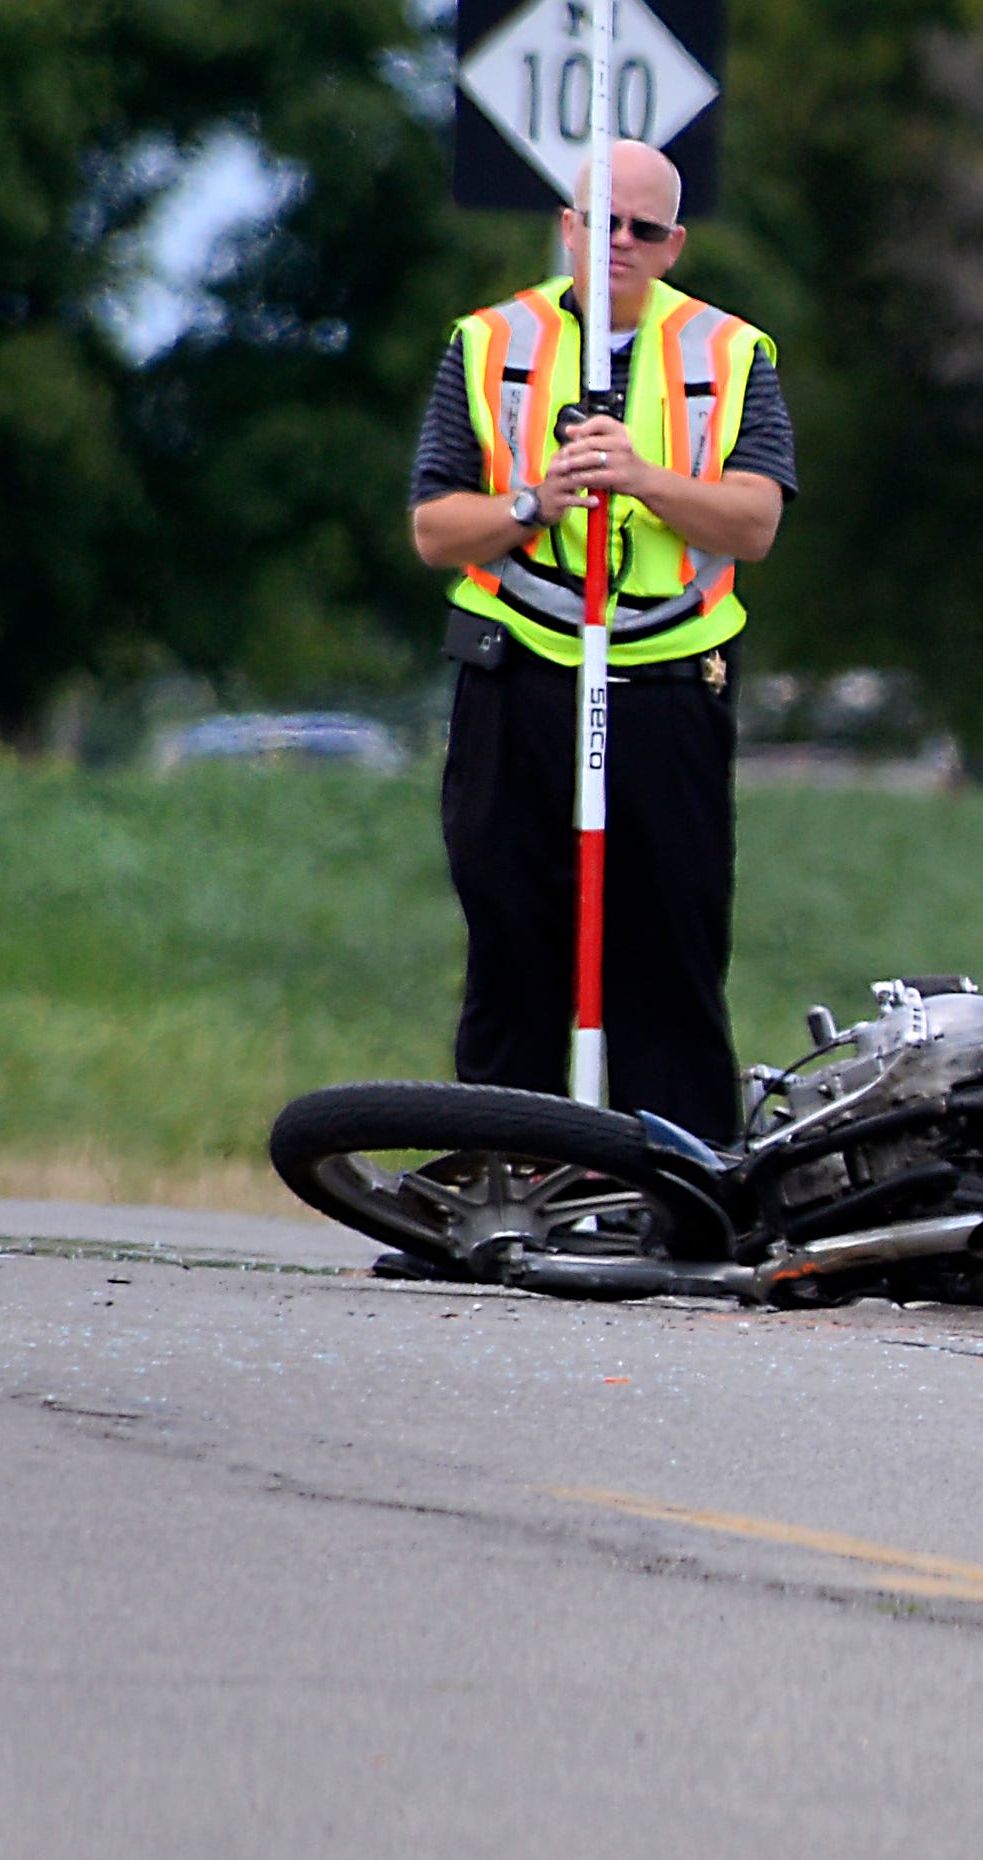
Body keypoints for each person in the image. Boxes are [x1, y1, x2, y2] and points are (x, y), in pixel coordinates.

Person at [407, 137, 793, 1145]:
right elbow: (436, 528)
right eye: (602, 221)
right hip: (518, 667)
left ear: (674, 245)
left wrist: (641, 476)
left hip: (669, 674)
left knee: (669, 943)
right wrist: (537, 500)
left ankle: (683, 1186)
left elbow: (754, 522)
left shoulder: (731, 352)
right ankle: (503, 1172)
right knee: (512, 934)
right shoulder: (490, 342)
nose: (619, 242)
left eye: (645, 228)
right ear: (567, 226)